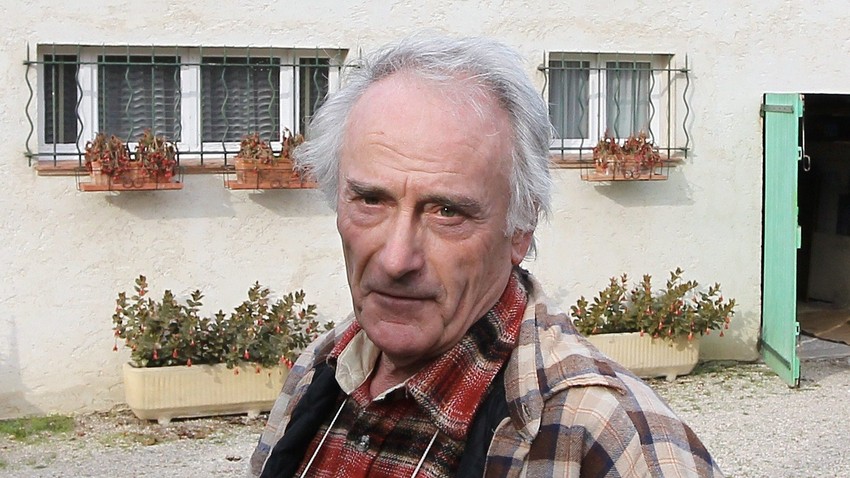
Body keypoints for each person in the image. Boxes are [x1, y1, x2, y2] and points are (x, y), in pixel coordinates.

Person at [250, 35, 722, 478]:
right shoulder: (322, 369)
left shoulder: (610, 439)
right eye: (371, 200)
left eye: (447, 211)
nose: (396, 259)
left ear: (521, 228)